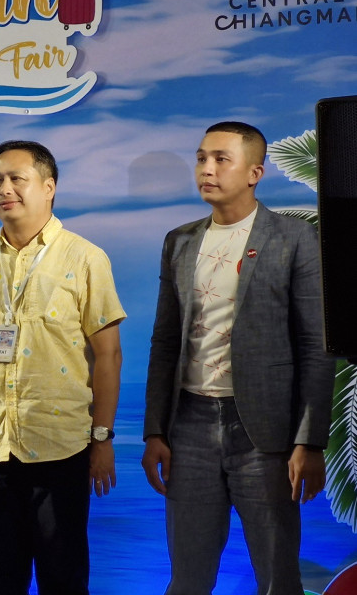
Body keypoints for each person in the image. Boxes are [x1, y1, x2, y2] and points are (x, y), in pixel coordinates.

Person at [142, 121, 333, 593]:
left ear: (254, 173)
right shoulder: (179, 241)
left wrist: (310, 442)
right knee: (188, 577)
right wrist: (155, 431)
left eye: (220, 159)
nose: (206, 169)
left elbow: (315, 345)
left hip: (265, 433)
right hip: (189, 426)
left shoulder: (294, 238)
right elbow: (164, 343)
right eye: (201, 158)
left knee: (277, 576)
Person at [0, 140, 125, 594]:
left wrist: (102, 438)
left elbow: (108, 355)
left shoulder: (85, 258)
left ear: (49, 187)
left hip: (60, 448)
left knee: (63, 580)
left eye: (17, 179)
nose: (4, 189)